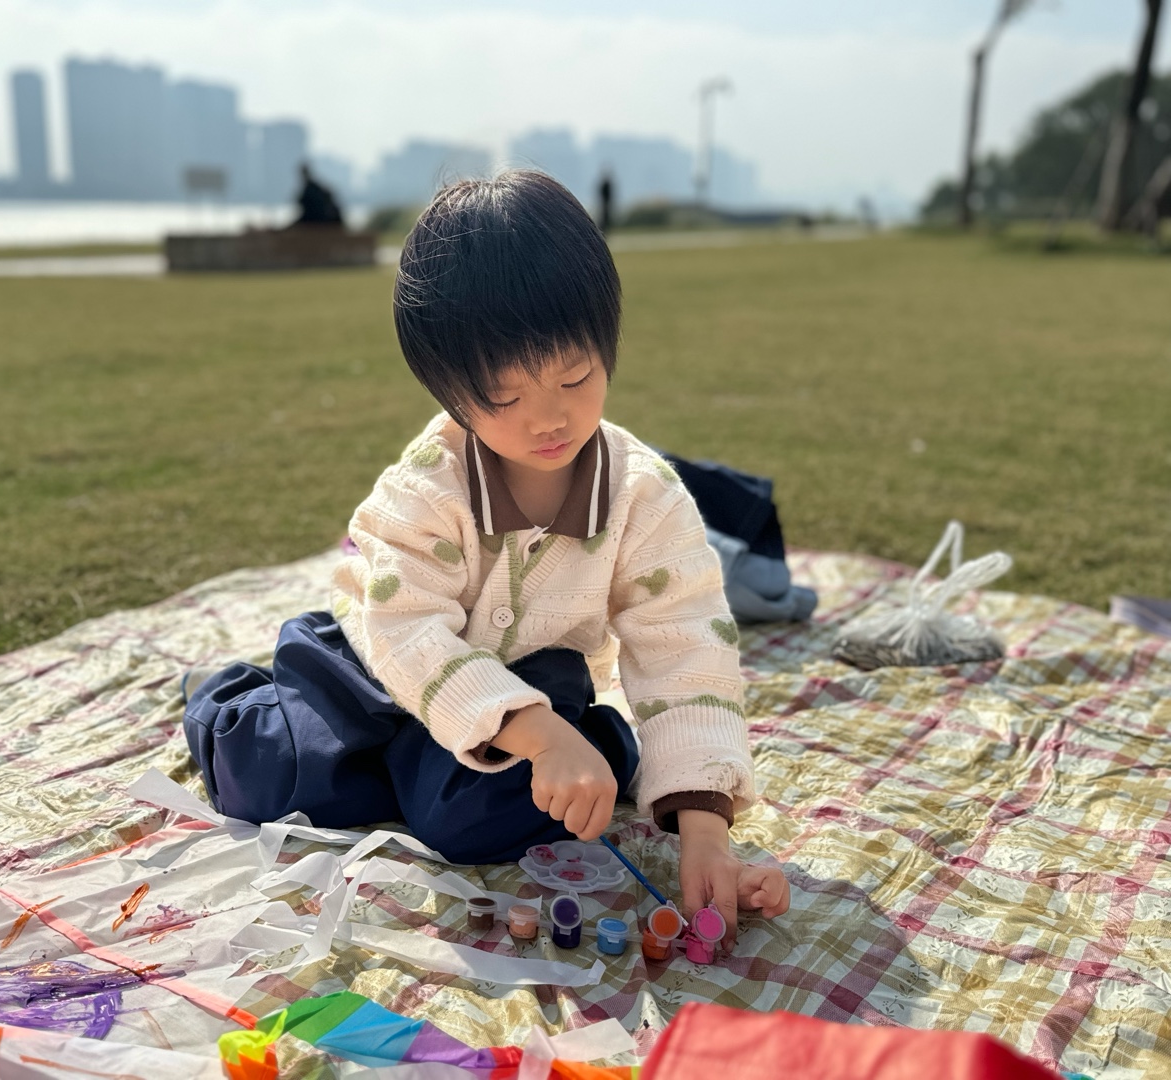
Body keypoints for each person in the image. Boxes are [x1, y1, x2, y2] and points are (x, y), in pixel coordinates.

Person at [184, 170, 789, 943]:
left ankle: (592, 749)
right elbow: (405, 629)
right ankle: (226, 695)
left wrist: (704, 828)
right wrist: (541, 737)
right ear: (450, 391)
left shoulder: (643, 496)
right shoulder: (427, 487)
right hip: (376, 667)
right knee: (263, 778)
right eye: (505, 396)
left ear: (607, 346)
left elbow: (686, 645)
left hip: (531, 675)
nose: (549, 417)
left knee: (467, 823)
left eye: (574, 376)